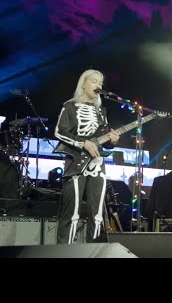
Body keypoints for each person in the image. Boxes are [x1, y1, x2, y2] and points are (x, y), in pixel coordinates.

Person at [54, 69, 120, 244]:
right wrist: (82, 142)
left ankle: (94, 252)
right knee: (72, 214)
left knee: (97, 215)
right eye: (94, 81)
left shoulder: (101, 110)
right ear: (83, 84)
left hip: (98, 164)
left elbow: (103, 137)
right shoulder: (70, 106)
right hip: (76, 162)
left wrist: (112, 140)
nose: (98, 85)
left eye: (100, 83)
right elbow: (60, 131)